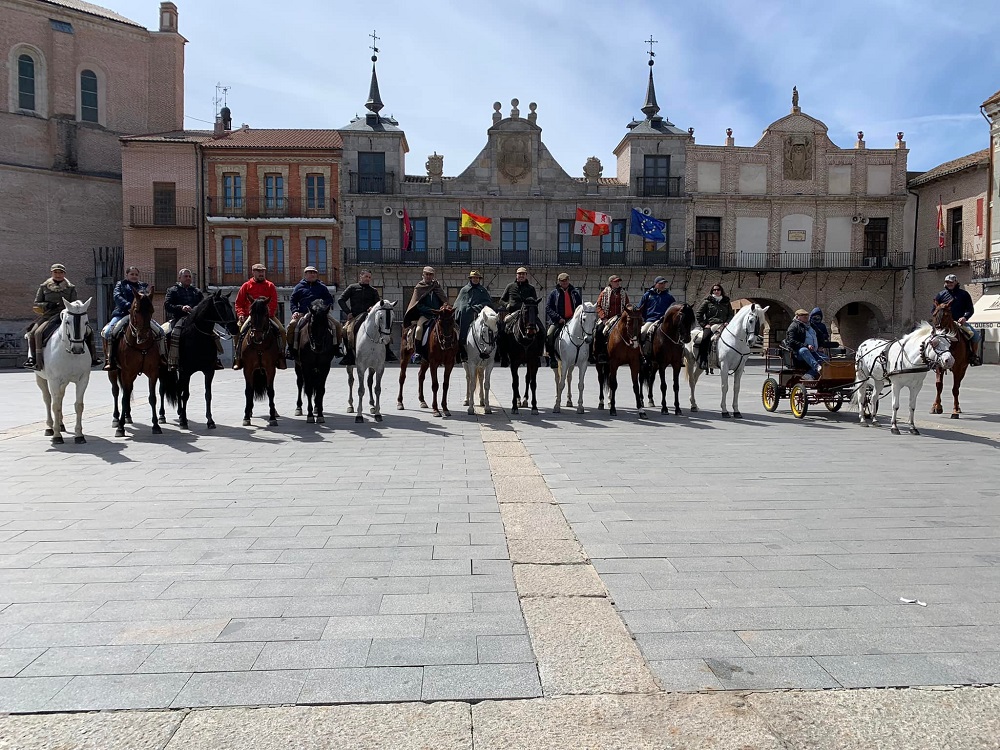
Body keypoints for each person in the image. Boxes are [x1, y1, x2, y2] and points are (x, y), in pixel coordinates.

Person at [24, 263, 100, 370]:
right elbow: (36, 303)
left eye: (60, 272)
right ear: (52, 273)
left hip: (68, 315)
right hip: (49, 316)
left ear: (64, 274)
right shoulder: (44, 287)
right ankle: (33, 359)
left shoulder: (70, 288)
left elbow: (75, 302)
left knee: (89, 331)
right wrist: (47, 305)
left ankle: (93, 357)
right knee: (35, 333)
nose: (58, 275)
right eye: (55, 272)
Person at [102, 266, 165, 371]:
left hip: (140, 316)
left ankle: (162, 357)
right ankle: (110, 359)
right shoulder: (120, 285)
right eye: (132, 274)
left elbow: (146, 300)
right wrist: (129, 306)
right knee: (109, 332)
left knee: (160, 332)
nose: (134, 276)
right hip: (122, 314)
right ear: (127, 275)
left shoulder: (143, 286)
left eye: (136, 274)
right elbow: (117, 297)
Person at [163, 268, 223, 371]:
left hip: (195, 319)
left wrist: (194, 310)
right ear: (179, 278)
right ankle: (173, 360)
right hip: (179, 318)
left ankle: (215, 359)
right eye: (186, 276)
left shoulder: (196, 291)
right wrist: (181, 307)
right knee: (174, 334)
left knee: (213, 334)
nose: (188, 278)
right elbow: (167, 305)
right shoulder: (172, 290)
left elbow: (203, 305)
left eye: (189, 276)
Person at [233, 263, 286, 369]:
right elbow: (238, 303)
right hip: (251, 316)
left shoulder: (270, 285)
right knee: (239, 331)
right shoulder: (246, 286)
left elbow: (274, 301)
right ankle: (238, 358)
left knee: (281, 331)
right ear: (253, 272)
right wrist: (241, 314)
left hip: (267, 316)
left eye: (262, 271)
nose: (261, 273)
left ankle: (281, 356)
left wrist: (268, 314)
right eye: (258, 271)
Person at [338, 269, 396, 366]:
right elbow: (341, 300)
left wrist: (372, 307)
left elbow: (379, 304)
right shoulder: (352, 288)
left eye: (369, 277)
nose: (368, 279)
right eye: (366, 277)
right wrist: (348, 312)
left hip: (370, 317)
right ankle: (349, 355)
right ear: (360, 276)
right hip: (356, 316)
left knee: (385, 330)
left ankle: (388, 352)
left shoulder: (373, 290)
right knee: (345, 330)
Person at [287, 265, 337, 361]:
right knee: (292, 326)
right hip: (303, 313)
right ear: (305, 274)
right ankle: (291, 349)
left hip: (320, 314)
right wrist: (295, 311)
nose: (313, 274)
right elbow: (293, 300)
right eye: (310, 273)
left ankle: (336, 348)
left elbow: (329, 299)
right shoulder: (299, 287)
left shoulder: (322, 287)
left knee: (337, 326)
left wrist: (323, 308)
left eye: (314, 273)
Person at [934, 274, 982, 366]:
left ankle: (973, 356)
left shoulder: (964, 294)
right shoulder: (940, 295)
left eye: (951, 282)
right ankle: (930, 357)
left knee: (975, 336)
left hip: (959, 323)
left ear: (956, 282)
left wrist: (965, 317)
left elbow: (970, 309)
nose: (949, 284)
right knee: (930, 337)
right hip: (943, 324)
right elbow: (934, 309)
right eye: (947, 282)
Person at [402, 266, 448, 360]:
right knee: (419, 330)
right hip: (425, 316)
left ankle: (451, 350)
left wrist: (444, 306)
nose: (428, 276)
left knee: (450, 328)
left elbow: (444, 300)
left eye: (430, 275)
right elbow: (417, 304)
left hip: (438, 316)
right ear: (423, 275)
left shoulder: (437, 287)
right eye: (427, 274)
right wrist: (429, 310)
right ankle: (417, 352)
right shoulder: (419, 287)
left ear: (433, 276)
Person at [454, 270, 494, 364]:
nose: (475, 279)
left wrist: (477, 307)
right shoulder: (464, 290)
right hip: (467, 315)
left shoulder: (483, 290)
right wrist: (465, 308)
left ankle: (491, 348)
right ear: (470, 279)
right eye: (473, 278)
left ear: (479, 279)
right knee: (463, 315)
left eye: (477, 278)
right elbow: (459, 303)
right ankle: (461, 349)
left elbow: (488, 303)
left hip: (479, 314)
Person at [545, 272, 582, 368]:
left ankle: (586, 355)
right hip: (558, 321)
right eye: (562, 281)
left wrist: (576, 318)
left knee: (586, 334)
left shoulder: (574, 293)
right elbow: (548, 308)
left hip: (572, 320)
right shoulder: (554, 293)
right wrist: (558, 318)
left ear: (569, 281)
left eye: (566, 280)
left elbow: (580, 307)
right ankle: (552, 357)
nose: (564, 282)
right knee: (550, 334)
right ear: (559, 282)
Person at [695, 283, 734, 370]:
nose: (716, 291)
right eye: (714, 290)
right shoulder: (707, 301)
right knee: (705, 338)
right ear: (712, 291)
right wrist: (705, 324)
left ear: (721, 291)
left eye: (718, 289)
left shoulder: (726, 301)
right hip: (712, 325)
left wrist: (727, 322)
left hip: (724, 325)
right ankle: (703, 360)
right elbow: (699, 314)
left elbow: (731, 314)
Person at [594, 275, 630, 363]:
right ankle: (600, 353)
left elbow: (627, 305)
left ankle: (633, 352)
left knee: (632, 330)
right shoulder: (604, 293)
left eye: (618, 281)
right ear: (611, 282)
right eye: (615, 281)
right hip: (607, 318)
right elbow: (598, 306)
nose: (617, 283)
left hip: (620, 317)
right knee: (598, 330)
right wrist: (603, 318)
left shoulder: (623, 293)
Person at [638, 276, 676, 357]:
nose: (663, 285)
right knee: (642, 332)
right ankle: (641, 354)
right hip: (650, 320)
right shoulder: (647, 295)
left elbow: (674, 309)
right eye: (660, 283)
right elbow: (639, 308)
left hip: (664, 321)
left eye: (664, 283)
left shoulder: (669, 297)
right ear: (655, 284)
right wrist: (642, 320)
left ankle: (679, 356)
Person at [784, 308, 826, 380]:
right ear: (797, 317)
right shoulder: (794, 326)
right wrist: (806, 345)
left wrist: (821, 346)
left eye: (807, 315)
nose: (806, 317)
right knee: (803, 350)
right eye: (803, 315)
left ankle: (809, 374)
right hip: (798, 353)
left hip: (813, 351)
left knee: (826, 359)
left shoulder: (811, 325)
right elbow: (791, 341)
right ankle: (816, 367)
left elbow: (820, 335)